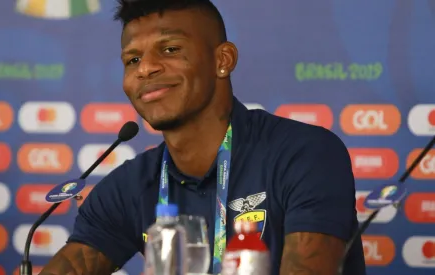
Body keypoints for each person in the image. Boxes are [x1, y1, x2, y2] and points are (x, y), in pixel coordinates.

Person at [39, 0, 366, 274]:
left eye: (169, 49)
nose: (145, 68)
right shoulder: (128, 187)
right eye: (133, 59)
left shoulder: (304, 154)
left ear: (222, 61)